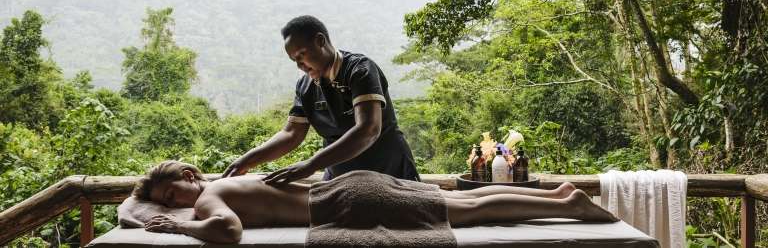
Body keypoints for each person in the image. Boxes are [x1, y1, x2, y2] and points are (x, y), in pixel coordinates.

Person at [138, 161, 618, 244]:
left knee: (469, 212)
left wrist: (179, 227)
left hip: (349, 202)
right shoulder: (226, 181)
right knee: (457, 199)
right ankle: (556, 194)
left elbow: (229, 232)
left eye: (171, 196)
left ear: (186, 178)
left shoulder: (210, 198)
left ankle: (571, 208)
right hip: (355, 185)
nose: (176, 205)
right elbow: (128, 208)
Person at [223, 15, 420, 184]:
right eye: (294, 60)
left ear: (320, 41)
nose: (300, 65)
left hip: (390, 172)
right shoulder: (305, 87)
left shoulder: (359, 70)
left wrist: (311, 165)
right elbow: (291, 134)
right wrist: (246, 161)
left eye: (302, 54)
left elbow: (368, 129)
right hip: (340, 179)